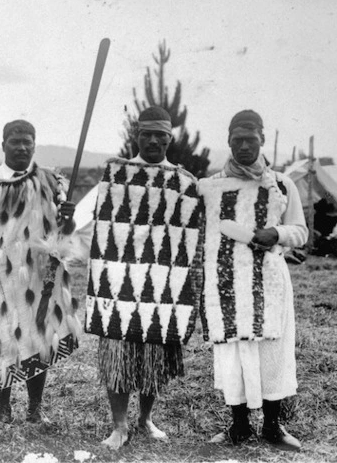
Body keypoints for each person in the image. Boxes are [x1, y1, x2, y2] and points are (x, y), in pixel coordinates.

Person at [83, 106, 204, 449]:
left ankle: (146, 418)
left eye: (160, 135)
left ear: (170, 138)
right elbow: (89, 213)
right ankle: (119, 425)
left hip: (164, 282)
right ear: (136, 136)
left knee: (155, 355)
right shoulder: (116, 173)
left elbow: (193, 233)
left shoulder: (183, 183)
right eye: (146, 134)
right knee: (119, 353)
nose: (153, 140)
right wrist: (67, 217)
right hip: (119, 280)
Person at [0, 119, 80, 425]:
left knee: (39, 335)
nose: (22, 147)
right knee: (2, 336)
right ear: (3, 145)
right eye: (15, 141)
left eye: (28, 141)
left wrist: (68, 219)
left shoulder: (50, 182)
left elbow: (64, 232)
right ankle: (3, 409)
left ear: (35, 144)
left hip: (37, 272)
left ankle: (35, 408)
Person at [199, 110, 307, 452]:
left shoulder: (281, 183)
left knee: (271, 350)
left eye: (251, 140)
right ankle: (239, 425)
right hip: (226, 280)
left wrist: (276, 232)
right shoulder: (213, 186)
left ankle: (273, 426)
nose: (244, 146)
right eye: (237, 141)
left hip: (269, 280)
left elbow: (301, 232)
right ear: (228, 142)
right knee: (233, 351)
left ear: (262, 139)